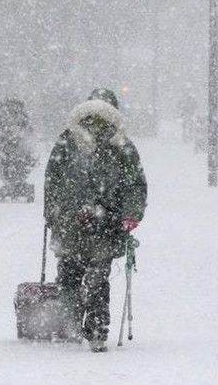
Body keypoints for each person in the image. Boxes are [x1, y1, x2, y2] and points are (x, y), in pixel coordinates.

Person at [44, 88, 148, 352]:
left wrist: (51, 214)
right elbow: (135, 183)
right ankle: (97, 331)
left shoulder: (67, 139)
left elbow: (52, 179)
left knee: (69, 273)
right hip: (107, 220)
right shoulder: (121, 142)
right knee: (98, 277)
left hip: (70, 220)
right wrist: (130, 215)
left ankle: (69, 325)